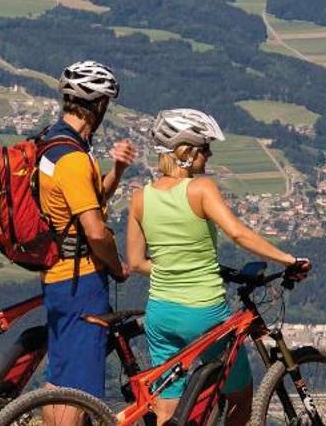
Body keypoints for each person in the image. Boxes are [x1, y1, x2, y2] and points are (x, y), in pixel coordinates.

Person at [126, 108, 310, 426]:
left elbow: (136, 262)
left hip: (159, 312)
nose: (209, 154)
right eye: (204, 147)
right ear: (185, 152)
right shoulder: (201, 189)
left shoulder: (140, 197)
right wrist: (289, 260)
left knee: (167, 406)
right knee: (239, 394)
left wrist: (173, 270)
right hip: (204, 314)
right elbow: (238, 234)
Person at [36, 59, 138, 418]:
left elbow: (85, 206)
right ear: (98, 105)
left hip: (58, 276)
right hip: (80, 282)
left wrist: (118, 172)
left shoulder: (52, 143)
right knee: (79, 390)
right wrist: (117, 266)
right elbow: (95, 230)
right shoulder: (74, 160)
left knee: (60, 379)